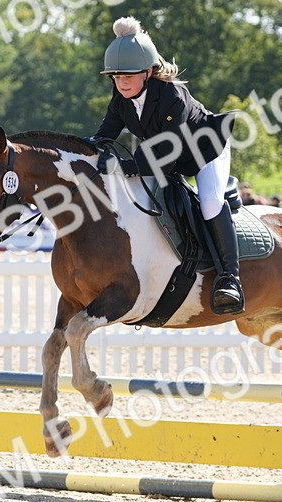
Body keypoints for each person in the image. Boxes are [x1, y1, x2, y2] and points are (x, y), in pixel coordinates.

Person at [90, 16, 243, 314]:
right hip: (169, 157)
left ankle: (230, 278)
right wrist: (86, 154)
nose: (121, 83)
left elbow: (167, 151)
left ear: (148, 72)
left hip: (205, 152)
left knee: (210, 203)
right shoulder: (121, 97)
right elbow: (104, 134)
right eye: (116, 77)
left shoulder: (172, 96)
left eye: (128, 77)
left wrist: (124, 166)